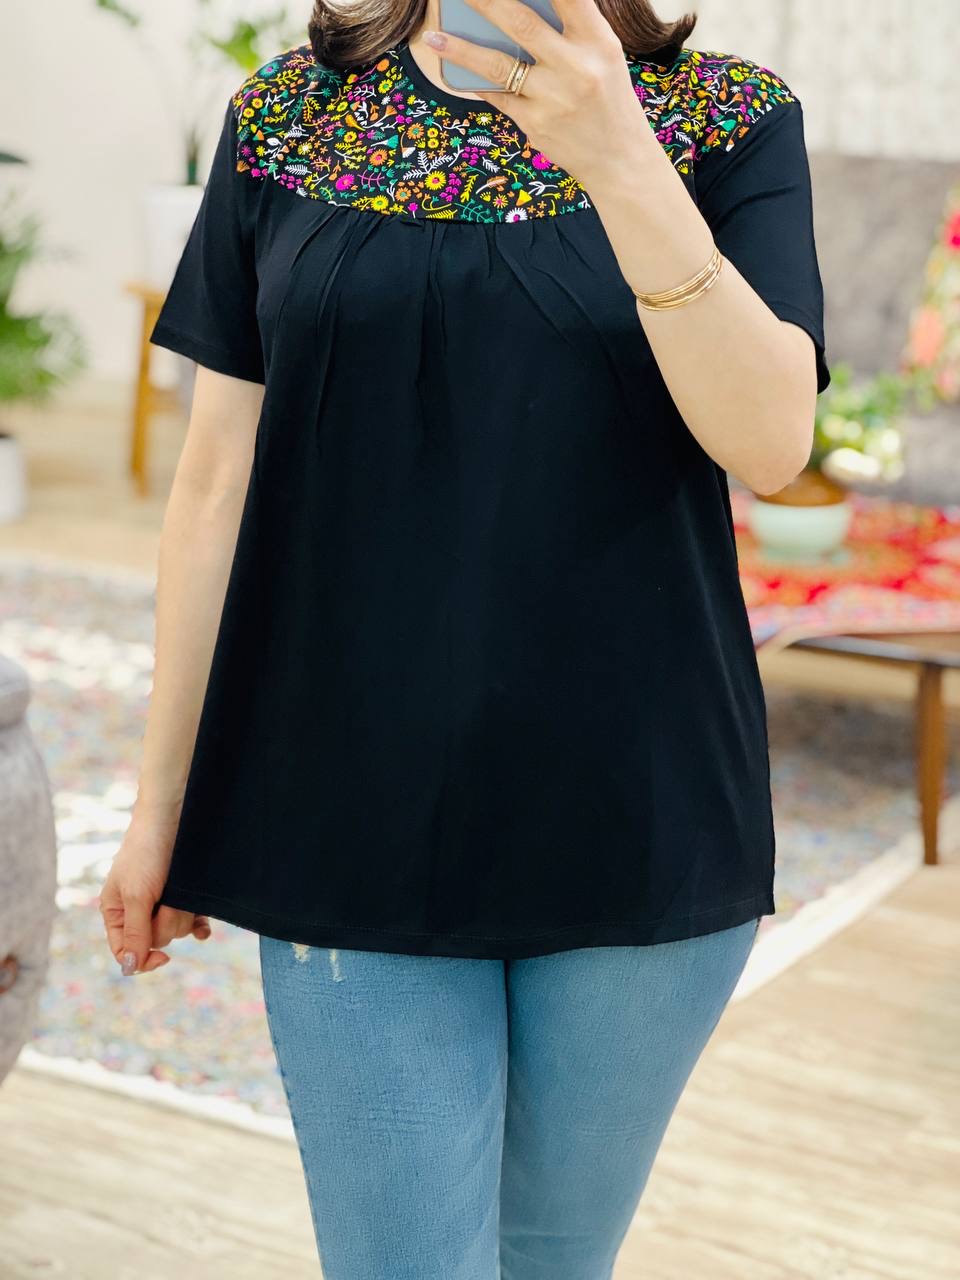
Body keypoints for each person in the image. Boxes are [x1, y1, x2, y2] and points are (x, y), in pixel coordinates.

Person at [99, 0, 829, 1272]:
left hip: (638, 809)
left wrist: (618, 153)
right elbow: (214, 483)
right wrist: (162, 799)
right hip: (341, 806)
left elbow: (771, 444)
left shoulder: (726, 120)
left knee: (553, 1258)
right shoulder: (288, 118)